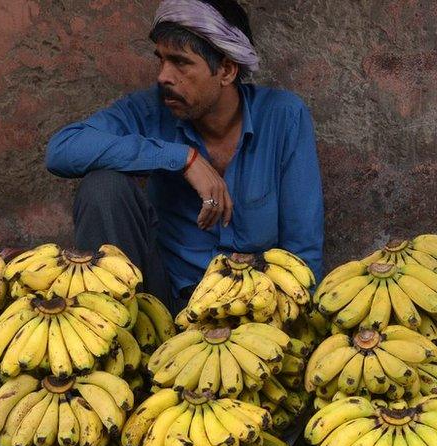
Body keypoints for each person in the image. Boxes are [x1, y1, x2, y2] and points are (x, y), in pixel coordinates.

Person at [45, 0, 324, 312]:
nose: (164, 76)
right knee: (102, 187)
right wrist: (182, 158)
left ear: (227, 70)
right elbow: (62, 149)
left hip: (254, 306)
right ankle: (113, 331)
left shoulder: (283, 116)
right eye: (161, 60)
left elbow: (303, 250)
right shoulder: (149, 111)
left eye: (180, 62)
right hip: (164, 301)